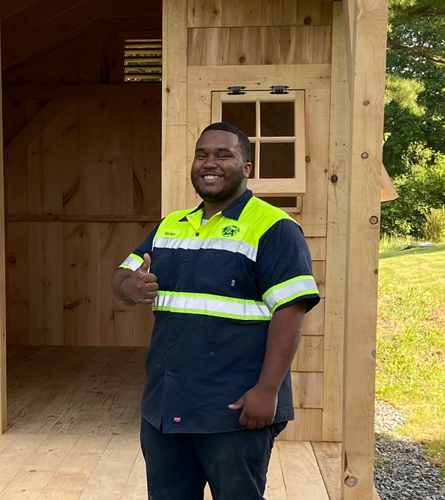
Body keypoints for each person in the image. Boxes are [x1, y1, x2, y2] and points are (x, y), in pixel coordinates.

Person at [111, 122, 320, 500]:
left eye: (224, 154)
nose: (211, 163)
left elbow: (291, 310)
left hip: (234, 410)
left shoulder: (274, 228)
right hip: (166, 408)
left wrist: (267, 390)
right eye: (202, 154)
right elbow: (122, 275)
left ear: (247, 167)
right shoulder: (171, 226)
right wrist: (131, 286)